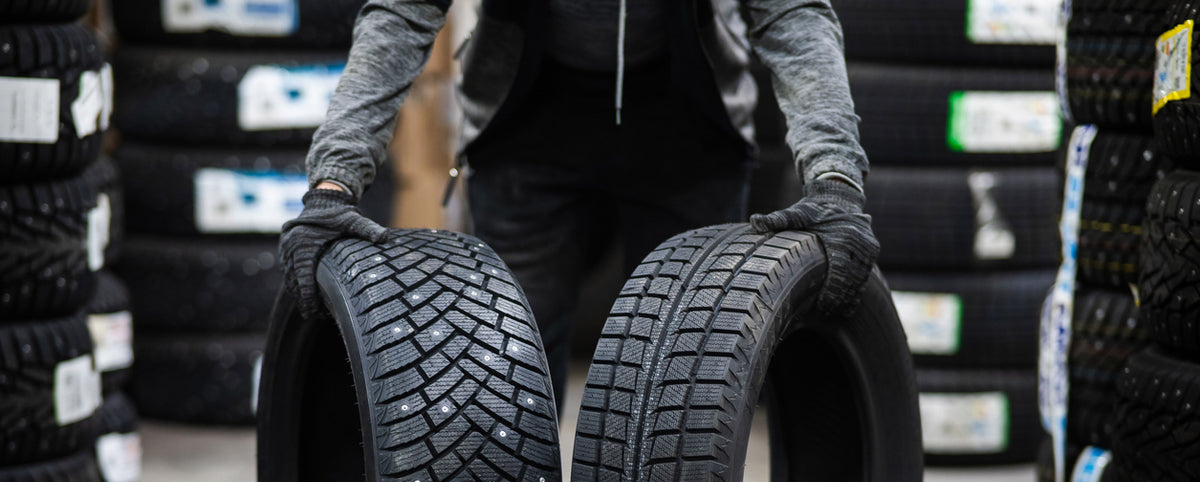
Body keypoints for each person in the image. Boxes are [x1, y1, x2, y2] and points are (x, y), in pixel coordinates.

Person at [280, 0, 878, 410]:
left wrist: (833, 177)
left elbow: (792, 14)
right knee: (501, 383)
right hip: (529, 125)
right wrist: (333, 182)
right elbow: (403, 13)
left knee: (685, 394)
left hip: (687, 129)